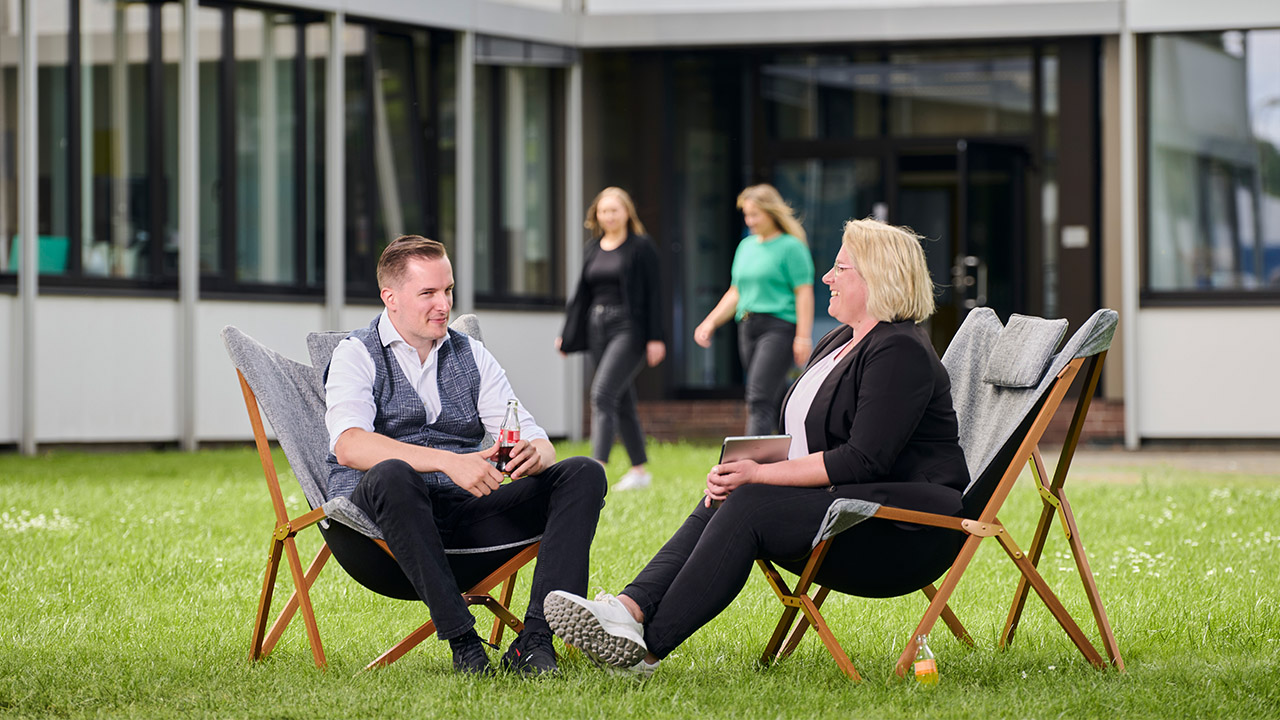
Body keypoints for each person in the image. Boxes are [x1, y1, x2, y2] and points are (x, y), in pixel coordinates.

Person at [545, 218, 969, 676]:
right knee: (730, 493)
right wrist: (742, 466)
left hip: (900, 531)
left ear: (877, 276)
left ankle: (645, 652)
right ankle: (629, 610)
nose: (826, 277)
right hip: (847, 508)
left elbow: (864, 459)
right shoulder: (841, 340)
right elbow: (811, 439)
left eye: (839, 267)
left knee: (749, 502)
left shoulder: (900, 350)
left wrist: (758, 475)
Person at [324, 235, 607, 676]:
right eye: (429, 293)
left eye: (449, 290)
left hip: (464, 526)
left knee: (583, 473)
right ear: (390, 298)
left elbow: (534, 435)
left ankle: (534, 641)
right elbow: (349, 444)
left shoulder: (469, 353)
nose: (444, 304)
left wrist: (536, 454)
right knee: (393, 474)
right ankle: (464, 643)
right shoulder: (356, 353)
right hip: (378, 539)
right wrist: (447, 461)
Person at [558, 187, 666, 491]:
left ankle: (597, 470)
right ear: (597, 215)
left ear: (627, 213)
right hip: (596, 326)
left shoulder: (641, 247)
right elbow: (581, 295)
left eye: (614, 210)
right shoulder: (592, 248)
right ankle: (639, 472)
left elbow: (655, 294)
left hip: (628, 327)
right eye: (604, 211)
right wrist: (567, 336)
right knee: (621, 401)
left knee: (603, 394)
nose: (609, 216)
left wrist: (656, 338)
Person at [693, 184, 815, 436]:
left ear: (771, 213)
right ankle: (795, 454)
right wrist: (710, 322)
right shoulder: (746, 246)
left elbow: (803, 292)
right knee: (777, 396)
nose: (750, 221)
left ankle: (748, 469)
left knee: (758, 398)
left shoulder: (791, 247)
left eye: (755, 214)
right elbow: (736, 292)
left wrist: (803, 336)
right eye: (747, 215)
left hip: (779, 327)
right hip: (747, 326)